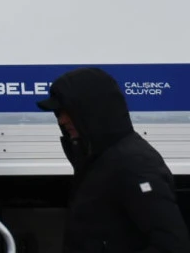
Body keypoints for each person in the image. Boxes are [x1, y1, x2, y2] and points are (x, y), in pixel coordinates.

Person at [38, 67, 190, 252]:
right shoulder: (96, 156)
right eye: (58, 113)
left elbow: (172, 245)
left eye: (66, 111)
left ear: (90, 109)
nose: (61, 120)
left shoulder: (134, 164)